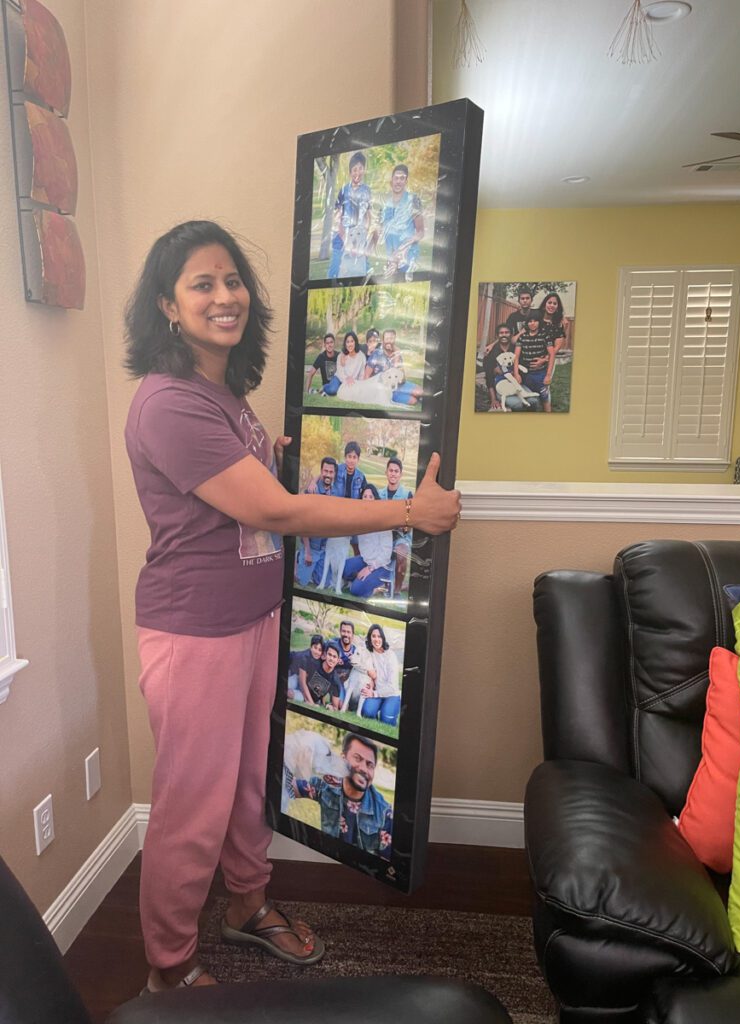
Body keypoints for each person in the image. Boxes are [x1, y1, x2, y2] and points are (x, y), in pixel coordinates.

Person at [123, 219, 460, 992]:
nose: (225, 296)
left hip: (254, 619)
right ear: (168, 306)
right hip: (195, 632)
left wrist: (269, 456)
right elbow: (273, 513)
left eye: (232, 279)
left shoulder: (222, 393)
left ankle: (247, 905)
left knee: (250, 784)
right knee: (191, 807)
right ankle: (168, 971)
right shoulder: (169, 403)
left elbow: (239, 493)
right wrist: (410, 512)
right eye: (202, 284)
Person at [293, 733, 393, 859]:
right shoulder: (326, 785)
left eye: (370, 765)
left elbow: (387, 863)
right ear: (342, 759)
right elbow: (289, 786)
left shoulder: (384, 813)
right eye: (357, 758)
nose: (364, 769)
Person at [343, 485, 394, 598]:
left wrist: (369, 569)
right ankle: (362, 579)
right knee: (343, 568)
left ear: (376, 499)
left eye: (370, 497)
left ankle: (382, 585)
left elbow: (386, 554)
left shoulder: (383, 521)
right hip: (365, 560)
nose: (367, 499)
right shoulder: (361, 519)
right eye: (364, 496)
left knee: (356, 590)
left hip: (381, 565)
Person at [373, 164, 424, 278]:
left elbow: (420, 232)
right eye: (396, 178)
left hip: (408, 260)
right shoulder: (384, 205)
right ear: (391, 181)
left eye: (402, 178)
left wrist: (402, 249)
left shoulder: (413, 200)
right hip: (391, 262)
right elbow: (380, 233)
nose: (398, 181)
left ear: (406, 181)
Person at [328, 152, 371, 279]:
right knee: (335, 271)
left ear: (364, 170)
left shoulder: (367, 190)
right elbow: (337, 217)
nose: (357, 173)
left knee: (364, 271)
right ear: (350, 172)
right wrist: (345, 239)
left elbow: (368, 216)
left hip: (359, 238)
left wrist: (364, 235)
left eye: (360, 168)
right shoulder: (344, 190)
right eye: (354, 170)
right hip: (342, 237)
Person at [295, 457, 336, 586]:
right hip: (311, 547)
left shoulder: (335, 491)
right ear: (321, 471)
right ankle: (299, 556)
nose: (328, 474)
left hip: (324, 548)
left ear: (335, 473)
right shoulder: (312, 491)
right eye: (325, 471)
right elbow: (303, 524)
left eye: (331, 472)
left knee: (324, 583)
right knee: (302, 582)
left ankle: (313, 566)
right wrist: (307, 552)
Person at [378, 457, 412, 594]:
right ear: (386, 472)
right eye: (391, 470)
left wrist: (397, 525)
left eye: (396, 471)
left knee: (401, 553)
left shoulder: (407, 495)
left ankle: (397, 591)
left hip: (400, 537)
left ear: (400, 474)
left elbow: (410, 524)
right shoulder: (379, 494)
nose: (393, 474)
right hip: (381, 538)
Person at [364, 328, 423, 406]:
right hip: (385, 390)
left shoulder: (397, 354)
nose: (389, 341)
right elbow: (366, 375)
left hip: (399, 385)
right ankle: (414, 398)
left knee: (421, 391)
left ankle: (419, 398)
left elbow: (402, 379)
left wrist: (397, 356)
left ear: (395, 340)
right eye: (387, 338)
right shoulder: (376, 354)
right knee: (413, 401)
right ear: (383, 341)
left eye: (391, 338)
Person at [359, 624, 401, 726]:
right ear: (370, 638)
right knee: (367, 713)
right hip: (377, 691)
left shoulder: (390, 655)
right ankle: (378, 708)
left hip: (391, 694)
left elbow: (392, 686)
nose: (376, 639)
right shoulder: (369, 653)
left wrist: (373, 694)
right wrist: (369, 681)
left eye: (379, 636)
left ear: (383, 638)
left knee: (386, 722)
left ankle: (387, 710)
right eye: (373, 636)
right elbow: (361, 664)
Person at [513, 316, 556, 413]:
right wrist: (516, 374)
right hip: (525, 374)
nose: (532, 323)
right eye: (530, 321)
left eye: (535, 321)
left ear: (539, 322)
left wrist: (548, 375)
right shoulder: (522, 337)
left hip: (540, 373)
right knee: (529, 398)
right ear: (527, 323)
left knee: (544, 397)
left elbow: (552, 354)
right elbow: (516, 356)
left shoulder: (545, 335)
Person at [298, 640, 344, 709]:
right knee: (296, 696)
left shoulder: (335, 681)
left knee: (340, 703)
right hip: (299, 689)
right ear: (325, 655)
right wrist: (311, 703)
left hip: (314, 700)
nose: (331, 659)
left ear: (338, 660)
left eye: (334, 657)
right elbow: (302, 682)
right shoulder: (315, 663)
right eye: (329, 655)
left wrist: (331, 707)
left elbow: (335, 707)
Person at [483, 323, 517, 411]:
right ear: (497, 336)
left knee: (534, 401)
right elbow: (489, 377)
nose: (504, 335)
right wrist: (493, 399)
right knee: (517, 404)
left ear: (511, 334)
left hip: (516, 383)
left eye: (507, 332)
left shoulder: (515, 349)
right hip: (500, 386)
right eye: (501, 333)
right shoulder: (491, 352)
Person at [323, 331, 366, 396]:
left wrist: (359, 385)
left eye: (352, 341)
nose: (350, 344)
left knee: (353, 393)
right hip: (339, 378)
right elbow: (340, 372)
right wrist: (347, 379)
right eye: (347, 342)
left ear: (355, 342)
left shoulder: (361, 356)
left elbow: (361, 374)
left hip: (352, 381)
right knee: (332, 390)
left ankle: (340, 387)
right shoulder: (341, 355)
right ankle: (325, 387)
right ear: (345, 344)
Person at [287, 634, 323, 702]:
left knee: (292, 695)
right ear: (311, 647)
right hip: (294, 675)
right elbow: (302, 683)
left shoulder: (320, 660)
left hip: (304, 686)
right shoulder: (305, 658)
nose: (317, 652)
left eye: (320, 650)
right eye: (315, 648)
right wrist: (311, 703)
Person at [537, 291, 571, 356]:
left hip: (548, 358)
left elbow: (557, 347)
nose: (552, 305)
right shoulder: (536, 319)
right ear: (544, 304)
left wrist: (545, 359)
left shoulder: (558, 324)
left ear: (557, 307)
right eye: (549, 303)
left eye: (555, 304)